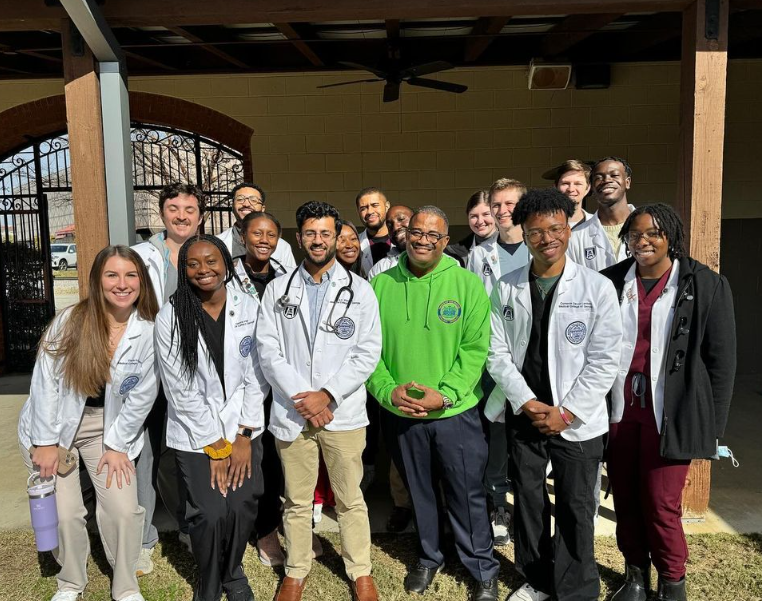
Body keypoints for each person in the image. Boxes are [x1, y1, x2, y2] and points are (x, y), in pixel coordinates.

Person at [485, 189, 622, 601]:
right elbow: (496, 351)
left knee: (576, 506)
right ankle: (537, 580)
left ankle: (577, 589)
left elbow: (605, 359)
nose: (548, 238)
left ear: (569, 228)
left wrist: (567, 411)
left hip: (576, 419)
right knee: (528, 501)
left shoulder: (596, 287)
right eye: (536, 231)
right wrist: (526, 402)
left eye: (556, 228)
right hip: (525, 413)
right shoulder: (505, 287)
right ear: (523, 235)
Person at [601, 204, 736, 601]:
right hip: (620, 412)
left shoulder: (705, 285)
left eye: (653, 233)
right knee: (625, 497)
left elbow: (721, 364)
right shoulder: (608, 282)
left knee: (660, 503)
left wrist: (710, 429)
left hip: (672, 416)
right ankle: (636, 577)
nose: (643, 241)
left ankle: (672, 581)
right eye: (635, 234)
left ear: (671, 237)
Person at [368, 206, 500, 601]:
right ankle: (429, 555)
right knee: (419, 491)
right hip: (400, 413)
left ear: (445, 241)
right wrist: (387, 390)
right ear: (405, 235)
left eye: (434, 235)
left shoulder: (466, 285)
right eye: (417, 232)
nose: (424, 240)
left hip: (454, 413)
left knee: (466, 492)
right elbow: (367, 350)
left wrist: (444, 394)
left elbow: (476, 350)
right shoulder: (380, 285)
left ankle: (482, 567)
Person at [18, 245, 159, 601]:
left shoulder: (149, 330)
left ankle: (126, 585)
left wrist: (117, 445)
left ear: (141, 281)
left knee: (124, 509)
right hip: (57, 429)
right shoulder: (71, 321)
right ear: (97, 280)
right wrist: (46, 442)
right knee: (65, 514)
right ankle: (70, 582)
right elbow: (45, 386)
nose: (122, 284)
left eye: (131, 275)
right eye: (112, 275)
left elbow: (143, 396)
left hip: (107, 428)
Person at [257, 201, 382, 601]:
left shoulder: (359, 291)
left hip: (342, 412)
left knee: (349, 498)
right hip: (294, 413)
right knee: (296, 499)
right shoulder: (279, 289)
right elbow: (268, 349)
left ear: (337, 237)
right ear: (299, 237)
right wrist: (305, 399)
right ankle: (296, 570)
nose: (318, 240)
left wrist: (326, 395)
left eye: (326, 233)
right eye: (310, 233)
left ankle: (360, 570)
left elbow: (368, 351)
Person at [155, 235, 268, 601]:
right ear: (183, 271)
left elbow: (258, 375)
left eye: (211, 261)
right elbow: (180, 389)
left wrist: (243, 435)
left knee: (241, 506)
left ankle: (233, 572)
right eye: (193, 264)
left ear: (227, 265)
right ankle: (210, 579)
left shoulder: (249, 307)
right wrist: (215, 446)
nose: (203, 270)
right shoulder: (171, 316)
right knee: (208, 513)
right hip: (195, 433)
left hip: (242, 429)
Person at [132, 182, 205, 570]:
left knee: (188, 452)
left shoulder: (207, 255)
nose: (181, 215)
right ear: (162, 214)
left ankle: (190, 527)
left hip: (194, 373)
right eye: (174, 208)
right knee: (145, 452)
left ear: (200, 215)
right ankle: (143, 537)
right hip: (148, 370)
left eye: (189, 209)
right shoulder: (142, 255)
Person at [233, 210, 288, 567]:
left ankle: (274, 525)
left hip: (278, 382)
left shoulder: (286, 277)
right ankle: (251, 528)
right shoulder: (226, 273)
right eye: (257, 233)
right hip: (238, 382)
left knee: (274, 459)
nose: (264, 240)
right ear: (243, 236)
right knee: (245, 457)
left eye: (271, 234)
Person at [567, 157, 635, 271]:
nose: (607, 180)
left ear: (627, 182)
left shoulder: (651, 227)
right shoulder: (576, 237)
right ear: (592, 187)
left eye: (614, 175)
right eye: (599, 177)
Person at [467, 178, 530, 294]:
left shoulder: (539, 247)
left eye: (509, 203)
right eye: (496, 205)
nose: (502, 211)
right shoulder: (478, 254)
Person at [217, 181, 296, 270]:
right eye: (240, 199)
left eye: (253, 200)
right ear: (232, 206)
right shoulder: (218, 243)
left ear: (263, 209)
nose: (246, 204)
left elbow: (290, 279)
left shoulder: (283, 247)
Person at [445, 189, 496, 266]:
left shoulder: (511, 247)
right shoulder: (454, 253)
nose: (480, 221)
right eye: (474, 216)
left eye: (486, 214)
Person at [367, 205, 413, 279]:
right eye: (389, 224)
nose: (395, 227)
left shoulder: (433, 259)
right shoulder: (379, 269)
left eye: (401, 219)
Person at [356, 187, 392, 274]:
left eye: (375, 205)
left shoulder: (403, 242)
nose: (370, 211)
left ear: (387, 206)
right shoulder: (355, 245)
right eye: (363, 208)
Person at [553, 159, 593, 228]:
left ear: (587, 188)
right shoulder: (540, 223)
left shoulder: (597, 224)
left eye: (578, 184)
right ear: (555, 187)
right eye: (565, 183)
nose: (571, 189)